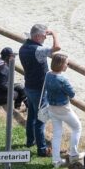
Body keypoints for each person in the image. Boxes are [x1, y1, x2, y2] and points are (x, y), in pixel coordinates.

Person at [19, 24, 61, 159]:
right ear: (37, 36)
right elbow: (57, 48)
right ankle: (42, 149)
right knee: (41, 120)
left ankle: (30, 140)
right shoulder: (38, 50)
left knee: (31, 115)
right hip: (39, 89)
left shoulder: (23, 47)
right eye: (44, 36)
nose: (45, 38)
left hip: (29, 86)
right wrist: (54, 33)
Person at [45, 53, 82, 168]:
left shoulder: (48, 74)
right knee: (77, 127)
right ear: (61, 64)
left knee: (57, 134)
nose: (67, 65)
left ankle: (56, 160)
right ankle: (73, 154)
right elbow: (72, 94)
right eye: (66, 63)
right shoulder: (62, 79)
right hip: (63, 110)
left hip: (52, 108)